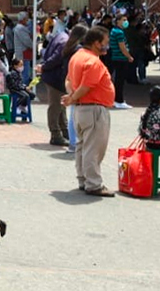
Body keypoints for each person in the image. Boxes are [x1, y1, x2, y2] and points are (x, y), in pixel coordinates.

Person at [61, 26, 116, 197]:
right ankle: (93, 184)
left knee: (82, 146)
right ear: (96, 43)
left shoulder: (77, 57)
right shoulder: (93, 61)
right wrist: (73, 97)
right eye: (105, 42)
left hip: (81, 110)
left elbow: (68, 81)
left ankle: (83, 179)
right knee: (94, 148)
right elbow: (86, 86)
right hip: (93, 109)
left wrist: (72, 96)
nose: (107, 46)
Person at [108, 14, 134, 110]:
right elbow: (122, 47)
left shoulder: (114, 31)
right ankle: (119, 100)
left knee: (118, 80)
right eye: (123, 20)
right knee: (120, 80)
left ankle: (116, 99)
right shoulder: (119, 33)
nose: (125, 22)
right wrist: (129, 56)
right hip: (120, 58)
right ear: (118, 21)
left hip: (116, 57)